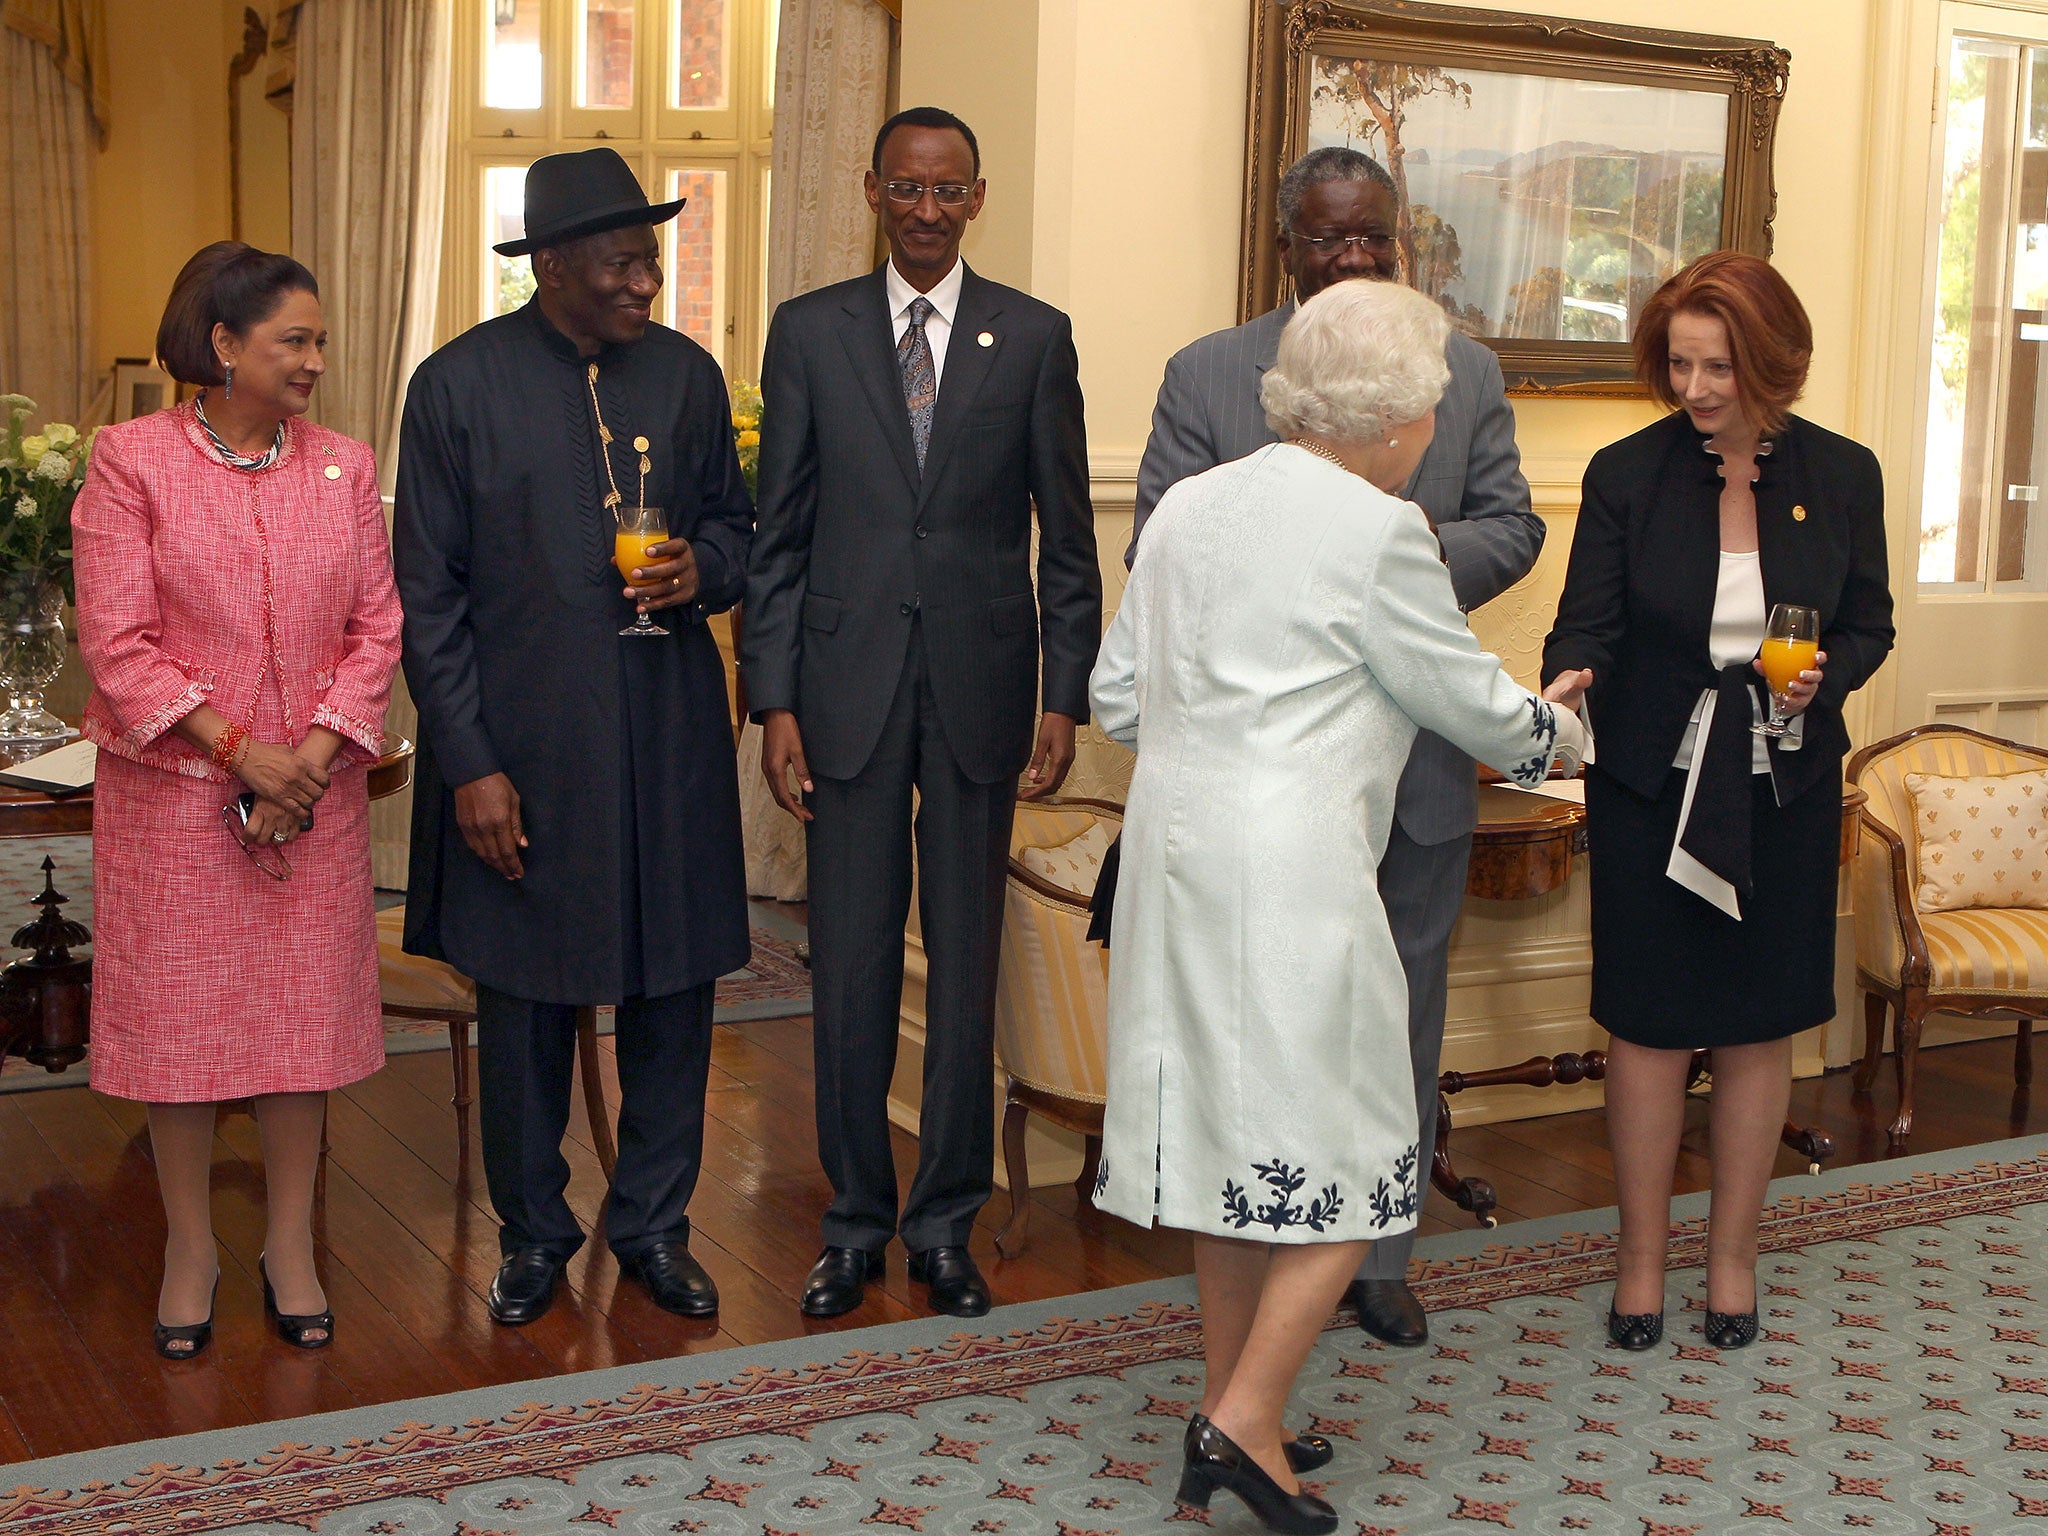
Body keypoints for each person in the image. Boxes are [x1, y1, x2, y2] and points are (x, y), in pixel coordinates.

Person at [1093, 279, 1589, 1536]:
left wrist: (1224, 735)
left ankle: (1235, 1408)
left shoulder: (1195, 504)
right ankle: (1239, 1414)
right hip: (1294, 868)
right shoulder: (1377, 530)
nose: (1431, 429)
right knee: (1368, 1150)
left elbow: (1116, 697)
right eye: (1429, 407)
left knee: (1223, 1140)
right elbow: (1468, 705)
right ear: (1393, 419)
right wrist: (1565, 725)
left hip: (1171, 853)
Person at [1123, 146, 1545, 1349]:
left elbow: (1511, 526)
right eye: (1328, 239)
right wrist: (1335, 560)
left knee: (1399, 1014)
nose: (1353, 257)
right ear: (1285, 245)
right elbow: (1156, 545)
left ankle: (1380, 1253)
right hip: (1265, 787)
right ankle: (1266, 1275)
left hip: (1411, 765)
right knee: (1248, 1035)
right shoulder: (1207, 372)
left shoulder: (1458, 366)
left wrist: (1395, 554)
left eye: (1374, 237)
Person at [744, 106, 1101, 1320]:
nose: (927, 211)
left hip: (983, 691)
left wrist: (1065, 692)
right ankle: (852, 1221)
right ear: (871, 191)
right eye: (905, 188)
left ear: (978, 197)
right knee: (845, 964)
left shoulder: (1034, 337)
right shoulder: (808, 335)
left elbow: (1068, 538)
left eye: (948, 191)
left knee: (963, 964)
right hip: (838, 696)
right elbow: (775, 536)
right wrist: (772, 700)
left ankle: (942, 1220)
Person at [395, 148, 754, 1327]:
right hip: (523, 753)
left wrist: (704, 568)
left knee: (672, 991)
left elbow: (738, 532)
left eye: (648, 258)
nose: (645, 279)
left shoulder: (691, 380)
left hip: (667, 742)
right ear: (550, 266)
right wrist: (470, 764)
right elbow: (428, 597)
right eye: (621, 261)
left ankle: (654, 1224)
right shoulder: (456, 388)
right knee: (527, 1002)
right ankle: (533, 1235)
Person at [1542, 252, 1893, 1352]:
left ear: (1771, 365)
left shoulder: (1842, 473)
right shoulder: (1624, 473)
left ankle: (1731, 1264)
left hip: (1781, 792)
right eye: (1679, 364)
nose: (1693, 388)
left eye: (1717, 367)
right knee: (1648, 1028)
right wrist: (1565, 681)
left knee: (1753, 1031)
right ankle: (1640, 1264)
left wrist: (1822, 672)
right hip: (1652, 784)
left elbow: (1868, 622)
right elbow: (1583, 624)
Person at [72, 241, 402, 1357]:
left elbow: (377, 629)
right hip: (174, 796)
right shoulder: (131, 462)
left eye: (318, 339)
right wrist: (237, 752)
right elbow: (117, 642)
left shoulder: (344, 466)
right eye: (292, 341)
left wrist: (306, 755)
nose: (316, 359)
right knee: (183, 1029)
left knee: (298, 1028)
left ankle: (292, 1244)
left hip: (314, 793)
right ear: (223, 346)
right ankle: (189, 1247)